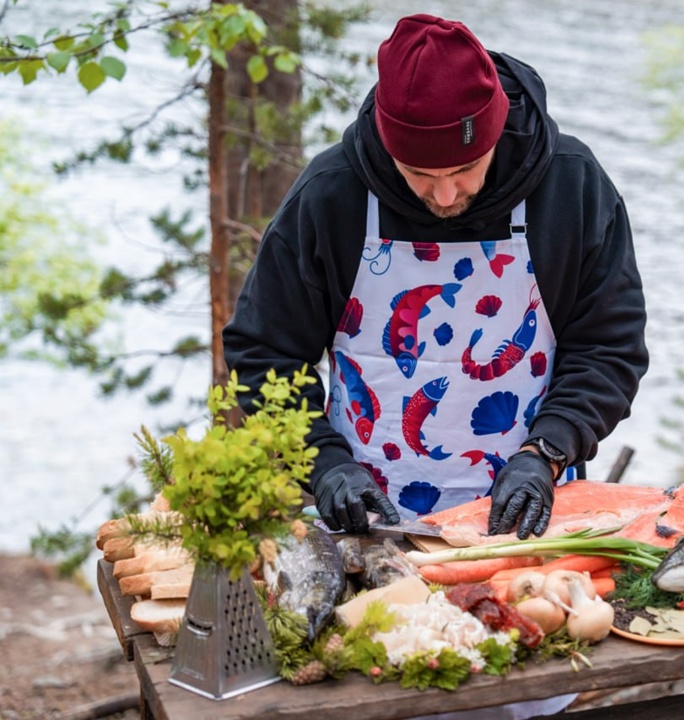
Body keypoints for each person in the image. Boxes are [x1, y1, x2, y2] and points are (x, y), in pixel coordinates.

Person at [223, 13, 648, 544]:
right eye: (421, 175)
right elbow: (264, 353)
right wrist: (323, 462)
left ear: (495, 131)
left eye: (465, 170)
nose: (445, 196)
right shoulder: (332, 196)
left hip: (529, 513)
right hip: (366, 522)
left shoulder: (572, 187)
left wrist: (549, 450)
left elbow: (609, 348)